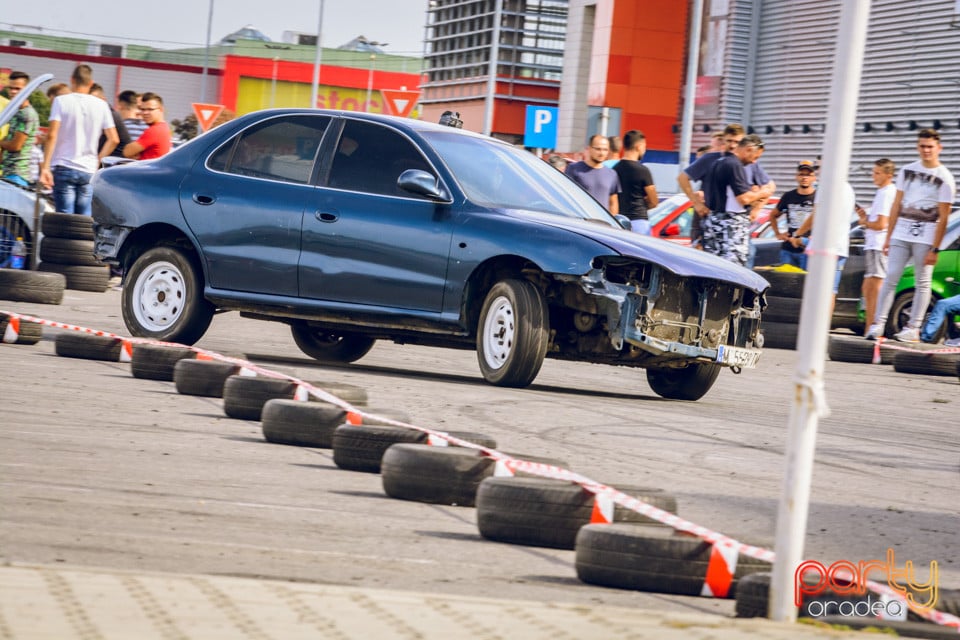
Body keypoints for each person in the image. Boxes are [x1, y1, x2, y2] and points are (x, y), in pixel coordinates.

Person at [866, 129, 956, 342]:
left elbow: (943, 217)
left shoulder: (945, 178)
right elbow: (897, 204)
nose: (926, 150)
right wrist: (889, 237)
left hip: (926, 237)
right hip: (901, 233)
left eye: (930, 147)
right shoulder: (907, 171)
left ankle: (913, 327)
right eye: (922, 146)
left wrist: (936, 248)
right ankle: (877, 323)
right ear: (918, 147)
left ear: (938, 148)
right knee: (891, 277)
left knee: (922, 282)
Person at [40, 64, 119, 215]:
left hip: (63, 165)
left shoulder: (61, 101)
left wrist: (45, 167)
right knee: (83, 221)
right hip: (88, 169)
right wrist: (98, 159)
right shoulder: (102, 105)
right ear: (90, 83)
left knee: (64, 218)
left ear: (72, 80)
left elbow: (52, 135)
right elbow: (113, 139)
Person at [677, 123, 745, 249]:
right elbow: (682, 178)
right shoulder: (710, 159)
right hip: (713, 219)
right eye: (729, 141)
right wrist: (696, 203)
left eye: (737, 142)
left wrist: (758, 206)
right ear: (723, 140)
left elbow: (767, 186)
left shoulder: (746, 162)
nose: (732, 145)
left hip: (738, 224)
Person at [700, 134, 765, 265]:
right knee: (734, 268)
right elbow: (744, 198)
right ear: (748, 149)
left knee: (713, 265)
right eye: (755, 157)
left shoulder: (717, 163)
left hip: (714, 221)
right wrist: (763, 192)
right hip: (731, 223)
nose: (753, 162)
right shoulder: (734, 165)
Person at [856, 158, 896, 336]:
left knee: (876, 286)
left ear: (888, 175)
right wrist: (866, 218)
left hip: (880, 245)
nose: (874, 176)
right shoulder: (881, 192)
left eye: (877, 173)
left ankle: (875, 327)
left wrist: (865, 222)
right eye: (873, 172)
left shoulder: (888, 193)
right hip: (873, 244)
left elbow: (881, 224)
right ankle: (869, 326)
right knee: (868, 287)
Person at [768, 160, 817, 269]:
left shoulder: (817, 197)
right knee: (786, 282)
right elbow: (773, 215)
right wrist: (778, 233)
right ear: (796, 177)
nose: (805, 178)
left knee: (805, 283)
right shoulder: (788, 196)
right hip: (788, 249)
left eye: (808, 175)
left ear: (814, 178)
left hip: (807, 248)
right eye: (801, 174)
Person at [613, 130, 657, 234]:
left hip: (619, 221)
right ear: (638, 146)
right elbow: (654, 201)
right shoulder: (643, 170)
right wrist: (643, 204)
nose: (645, 150)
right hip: (639, 221)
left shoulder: (614, 169)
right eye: (644, 146)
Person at [0, 71, 40, 187]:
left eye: (17, 89)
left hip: (17, 175)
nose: (13, 92)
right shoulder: (15, 112)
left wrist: (1, 142)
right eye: (11, 88)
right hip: (8, 172)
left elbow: (15, 146)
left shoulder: (26, 114)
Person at [565, 134, 620, 214]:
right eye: (598, 149)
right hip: (580, 220)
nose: (601, 153)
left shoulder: (612, 174)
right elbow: (566, 196)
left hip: (603, 223)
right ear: (589, 148)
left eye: (605, 150)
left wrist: (613, 223)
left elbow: (613, 203)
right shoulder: (574, 169)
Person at [123, 92, 171, 160]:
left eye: (150, 109)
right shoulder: (163, 127)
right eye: (143, 109)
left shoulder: (155, 130)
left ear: (161, 110)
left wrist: (138, 153)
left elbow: (127, 152)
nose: (145, 113)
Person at [90, 83, 131, 159]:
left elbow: (113, 140)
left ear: (103, 100)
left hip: (113, 163)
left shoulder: (111, 115)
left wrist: (97, 163)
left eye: (94, 101)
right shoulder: (96, 114)